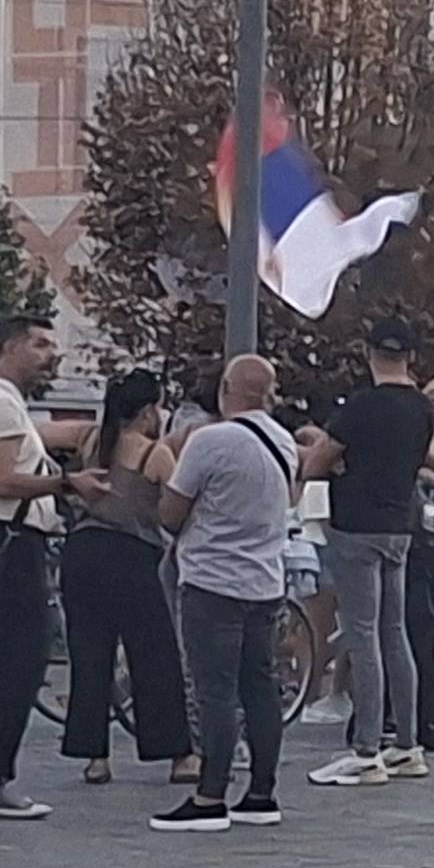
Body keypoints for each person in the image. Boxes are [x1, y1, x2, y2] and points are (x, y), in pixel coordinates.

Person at [153, 356, 298, 832]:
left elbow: (171, 514)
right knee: (261, 687)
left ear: (228, 389)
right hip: (265, 581)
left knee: (215, 689)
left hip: (212, 580)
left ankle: (210, 794)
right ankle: (262, 791)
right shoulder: (284, 442)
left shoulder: (209, 441)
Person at [301, 315, 434, 785]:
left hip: (356, 525)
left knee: (363, 635)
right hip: (399, 525)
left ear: (369, 352)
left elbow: (318, 461)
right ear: (411, 358)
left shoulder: (359, 407)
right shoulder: (421, 408)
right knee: (394, 632)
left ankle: (366, 748)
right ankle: (408, 743)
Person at [0, 312, 78, 819]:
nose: (51, 354)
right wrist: (67, 484)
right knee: (15, 665)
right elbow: (2, 479)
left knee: (17, 663)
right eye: (40, 344)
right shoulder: (0, 405)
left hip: (13, 539)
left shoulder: (9, 405)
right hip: (10, 541)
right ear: (9, 347)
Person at [55, 367, 195, 790]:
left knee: (90, 656)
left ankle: (94, 755)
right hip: (131, 556)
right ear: (150, 411)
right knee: (154, 655)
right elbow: (176, 507)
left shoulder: (92, 441)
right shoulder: (155, 454)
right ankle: (177, 753)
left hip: (81, 551)